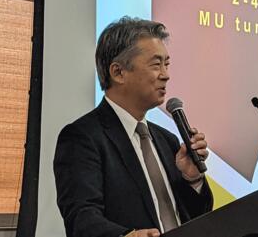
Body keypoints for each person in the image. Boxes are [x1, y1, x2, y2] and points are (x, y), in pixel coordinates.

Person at [54, 17, 213, 237]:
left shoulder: (168, 140)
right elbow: (81, 218)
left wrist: (192, 178)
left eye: (167, 64)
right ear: (118, 72)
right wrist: (126, 236)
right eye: (156, 64)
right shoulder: (83, 137)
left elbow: (196, 218)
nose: (166, 75)